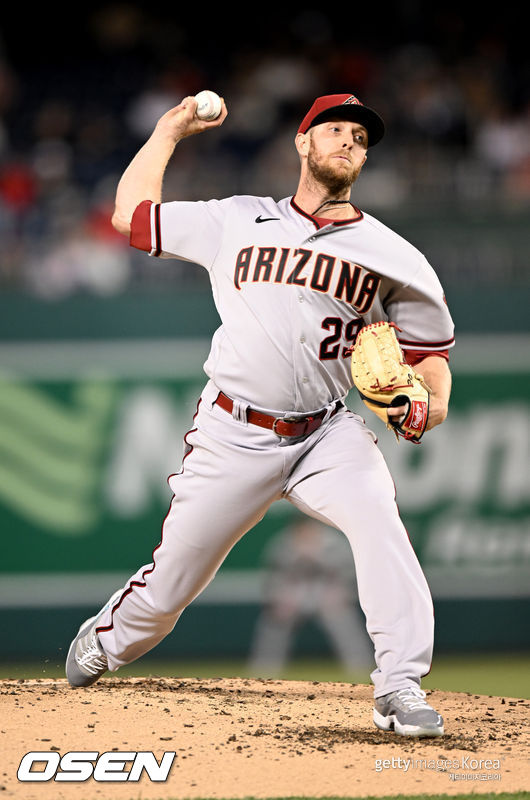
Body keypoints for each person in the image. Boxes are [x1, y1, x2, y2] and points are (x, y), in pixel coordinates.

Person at [66, 92, 454, 738]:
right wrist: (168, 132)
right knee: (171, 587)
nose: (349, 141)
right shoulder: (237, 219)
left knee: (379, 522)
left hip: (326, 432)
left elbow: (430, 354)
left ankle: (399, 685)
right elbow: (130, 216)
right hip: (233, 431)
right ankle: (107, 640)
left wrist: (430, 404)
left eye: (360, 137)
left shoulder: (394, 254)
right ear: (303, 142)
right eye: (335, 129)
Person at [248, 516, 374, 675]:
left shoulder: (334, 543)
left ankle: (360, 667)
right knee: (274, 625)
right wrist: (279, 598)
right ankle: (264, 669)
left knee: (345, 623)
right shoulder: (283, 543)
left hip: (327, 591)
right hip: (294, 593)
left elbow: (349, 574)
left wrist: (342, 594)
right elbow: (273, 578)